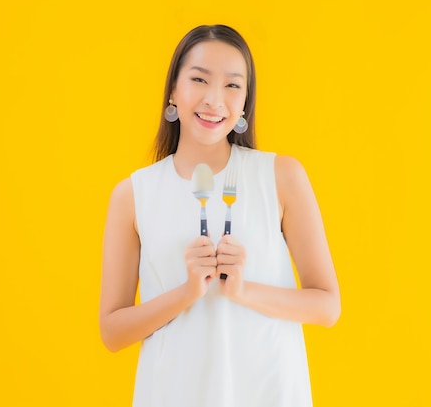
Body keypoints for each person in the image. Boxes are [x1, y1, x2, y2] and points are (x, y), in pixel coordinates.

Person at [99, 24, 341, 407]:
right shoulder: (133, 194)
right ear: (174, 92)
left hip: (269, 390)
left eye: (232, 86)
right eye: (199, 79)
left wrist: (243, 290)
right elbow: (112, 331)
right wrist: (186, 292)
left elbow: (327, 306)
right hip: (172, 393)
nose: (215, 100)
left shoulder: (281, 177)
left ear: (245, 103)